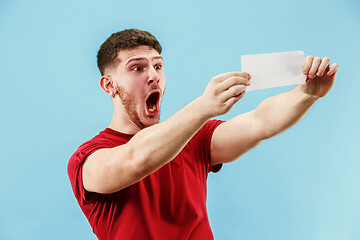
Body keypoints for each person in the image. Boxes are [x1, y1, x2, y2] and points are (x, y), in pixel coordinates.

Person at [67, 28, 339, 240]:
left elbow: (261, 122)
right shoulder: (88, 160)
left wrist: (307, 93)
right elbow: (135, 159)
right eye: (138, 68)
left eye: (158, 66)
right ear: (109, 85)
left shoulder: (194, 137)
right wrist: (202, 107)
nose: (154, 76)